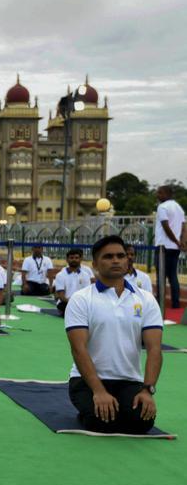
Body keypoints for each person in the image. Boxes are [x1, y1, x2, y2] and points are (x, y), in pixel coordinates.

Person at [65, 235, 163, 434]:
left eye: (121, 255)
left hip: (129, 381)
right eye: (108, 257)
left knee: (142, 423)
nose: (116, 260)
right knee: (101, 422)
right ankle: (87, 409)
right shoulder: (81, 299)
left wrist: (147, 390)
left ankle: (119, 405)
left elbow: (154, 349)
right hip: (87, 381)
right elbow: (78, 349)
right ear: (95, 264)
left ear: (128, 261)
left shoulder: (146, 299)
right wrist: (99, 391)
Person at [154, 185, 186, 310]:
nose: (158, 195)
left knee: (160, 275)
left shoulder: (162, 207)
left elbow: (166, 227)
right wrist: (182, 242)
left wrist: (176, 241)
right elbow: (184, 227)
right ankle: (175, 303)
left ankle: (159, 304)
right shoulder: (179, 208)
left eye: (160, 193)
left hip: (163, 246)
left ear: (167, 194)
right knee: (173, 275)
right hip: (174, 247)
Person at [53, 249, 94, 314]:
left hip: (81, 304)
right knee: (64, 306)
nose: (74, 260)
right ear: (67, 259)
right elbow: (61, 296)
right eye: (71, 258)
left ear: (80, 259)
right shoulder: (60, 275)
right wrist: (74, 303)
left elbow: (87, 294)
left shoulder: (86, 275)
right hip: (66, 303)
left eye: (76, 258)